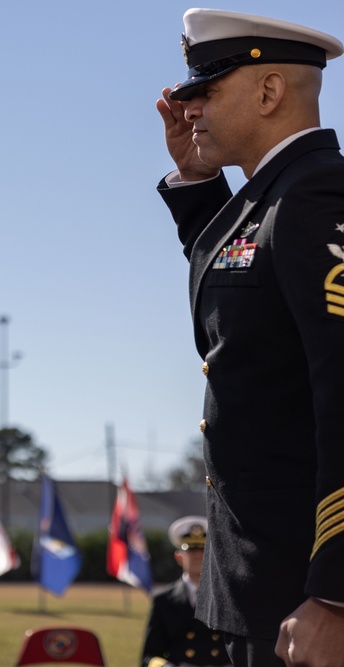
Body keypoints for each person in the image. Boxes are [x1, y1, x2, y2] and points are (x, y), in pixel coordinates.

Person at [155, 8, 344, 667]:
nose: (189, 106)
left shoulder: (318, 194)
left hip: (308, 601)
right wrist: (200, 187)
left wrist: (336, 596)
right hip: (266, 594)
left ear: (269, 92)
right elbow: (246, 297)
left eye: (206, 90)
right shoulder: (274, 199)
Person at [142, 516, 231, 667]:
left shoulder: (228, 598)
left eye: (203, 549)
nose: (197, 555)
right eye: (191, 549)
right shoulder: (163, 600)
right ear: (179, 557)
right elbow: (149, 656)